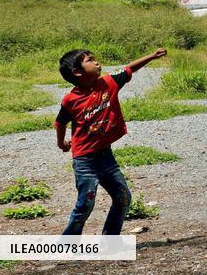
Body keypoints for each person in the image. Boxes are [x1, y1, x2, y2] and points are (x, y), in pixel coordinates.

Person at [54, 47, 168, 235]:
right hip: (85, 161)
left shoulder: (109, 83)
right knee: (85, 205)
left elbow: (129, 68)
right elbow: (60, 123)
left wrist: (152, 56)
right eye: (90, 60)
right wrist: (61, 143)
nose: (96, 62)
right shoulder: (70, 100)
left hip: (105, 157)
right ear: (77, 72)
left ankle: (110, 240)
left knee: (123, 198)